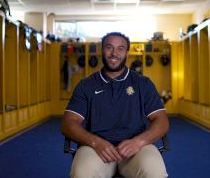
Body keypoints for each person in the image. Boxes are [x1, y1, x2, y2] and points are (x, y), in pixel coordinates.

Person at [61, 32, 169, 178]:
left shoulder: (143, 83)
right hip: (96, 149)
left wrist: (139, 141)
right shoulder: (86, 85)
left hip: (136, 149)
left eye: (120, 48)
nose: (114, 53)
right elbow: (68, 123)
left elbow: (161, 120)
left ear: (126, 52)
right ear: (102, 50)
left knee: (155, 172)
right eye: (109, 47)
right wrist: (95, 142)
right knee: (83, 173)